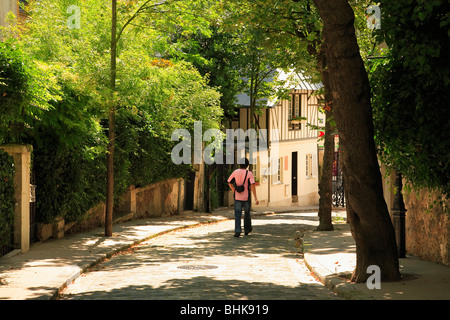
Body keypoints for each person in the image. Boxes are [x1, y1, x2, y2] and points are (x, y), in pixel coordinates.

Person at [227, 158, 259, 237]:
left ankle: (237, 231)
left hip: (237, 197)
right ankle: (247, 230)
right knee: (247, 214)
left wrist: (234, 190)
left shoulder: (235, 172)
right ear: (247, 165)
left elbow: (229, 182)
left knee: (237, 214)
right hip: (246, 197)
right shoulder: (249, 173)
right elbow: (252, 186)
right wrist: (256, 198)